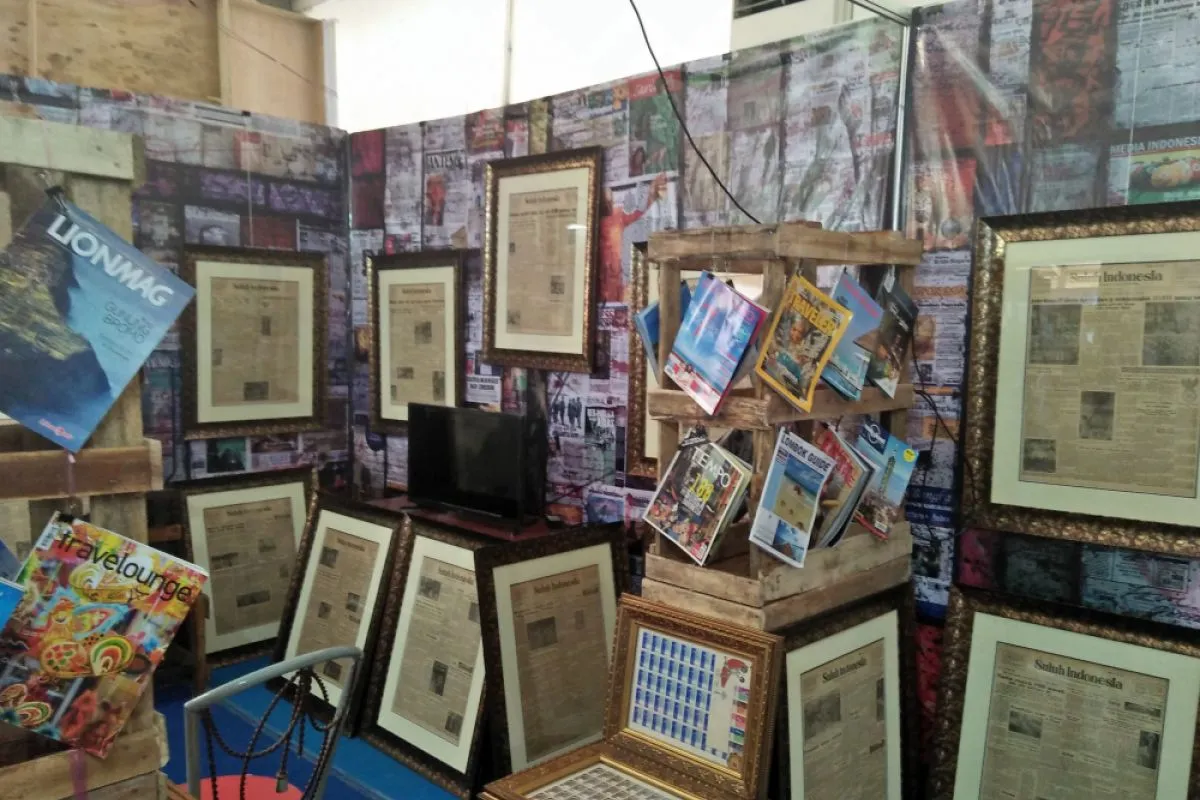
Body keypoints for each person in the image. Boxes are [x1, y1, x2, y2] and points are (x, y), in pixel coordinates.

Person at [598, 173, 667, 301]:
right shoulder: (592, 223)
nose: (610, 204)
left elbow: (637, 213)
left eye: (611, 201)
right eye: (607, 202)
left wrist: (651, 194)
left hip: (618, 281)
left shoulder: (617, 215)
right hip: (601, 282)